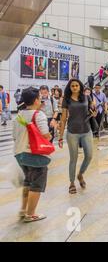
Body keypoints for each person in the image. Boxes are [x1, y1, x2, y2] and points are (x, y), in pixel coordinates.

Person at [13, 87, 52, 222]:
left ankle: (23, 210)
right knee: (36, 185)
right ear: (36, 100)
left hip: (19, 154)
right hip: (34, 155)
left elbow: (15, 136)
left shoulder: (18, 115)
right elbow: (45, 135)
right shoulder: (38, 114)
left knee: (27, 182)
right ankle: (31, 214)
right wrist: (53, 130)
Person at [58, 79, 95, 194]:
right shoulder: (66, 100)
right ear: (70, 87)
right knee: (73, 158)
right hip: (72, 132)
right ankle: (72, 183)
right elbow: (63, 119)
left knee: (89, 155)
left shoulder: (86, 97)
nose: (74, 87)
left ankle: (80, 174)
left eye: (76, 85)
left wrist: (94, 113)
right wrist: (60, 136)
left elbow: (92, 110)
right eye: (72, 86)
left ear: (80, 87)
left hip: (86, 130)